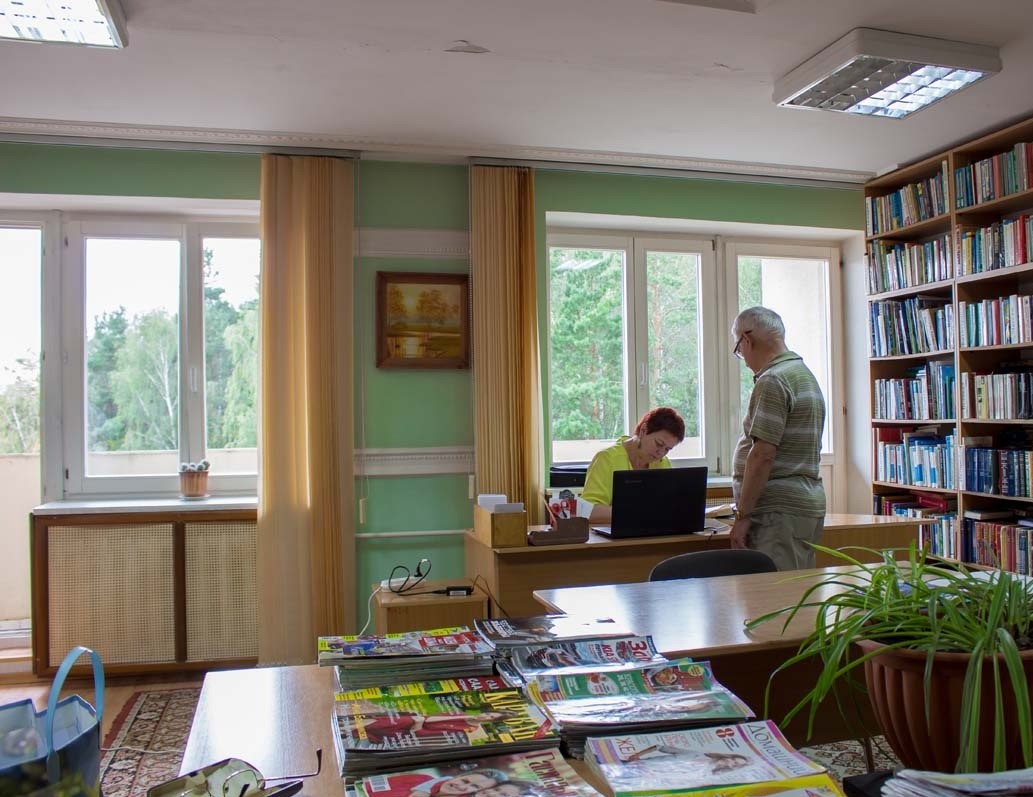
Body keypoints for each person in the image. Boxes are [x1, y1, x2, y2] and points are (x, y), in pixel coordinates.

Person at [730, 306, 826, 570]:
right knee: (795, 588)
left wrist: (743, 516)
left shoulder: (773, 380)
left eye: (739, 350)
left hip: (778, 513)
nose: (744, 359)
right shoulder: (803, 374)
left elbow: (762, 455)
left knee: (776, 592)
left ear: (746, 340)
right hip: (802, 505)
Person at [581, 406, 686, 524]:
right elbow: (587, 511)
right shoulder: (606, 459)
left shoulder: (663, 463)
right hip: (613, 533)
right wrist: (636, 512)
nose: (661, 453)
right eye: (658, 444)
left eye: (667, 449)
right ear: (643, 430)